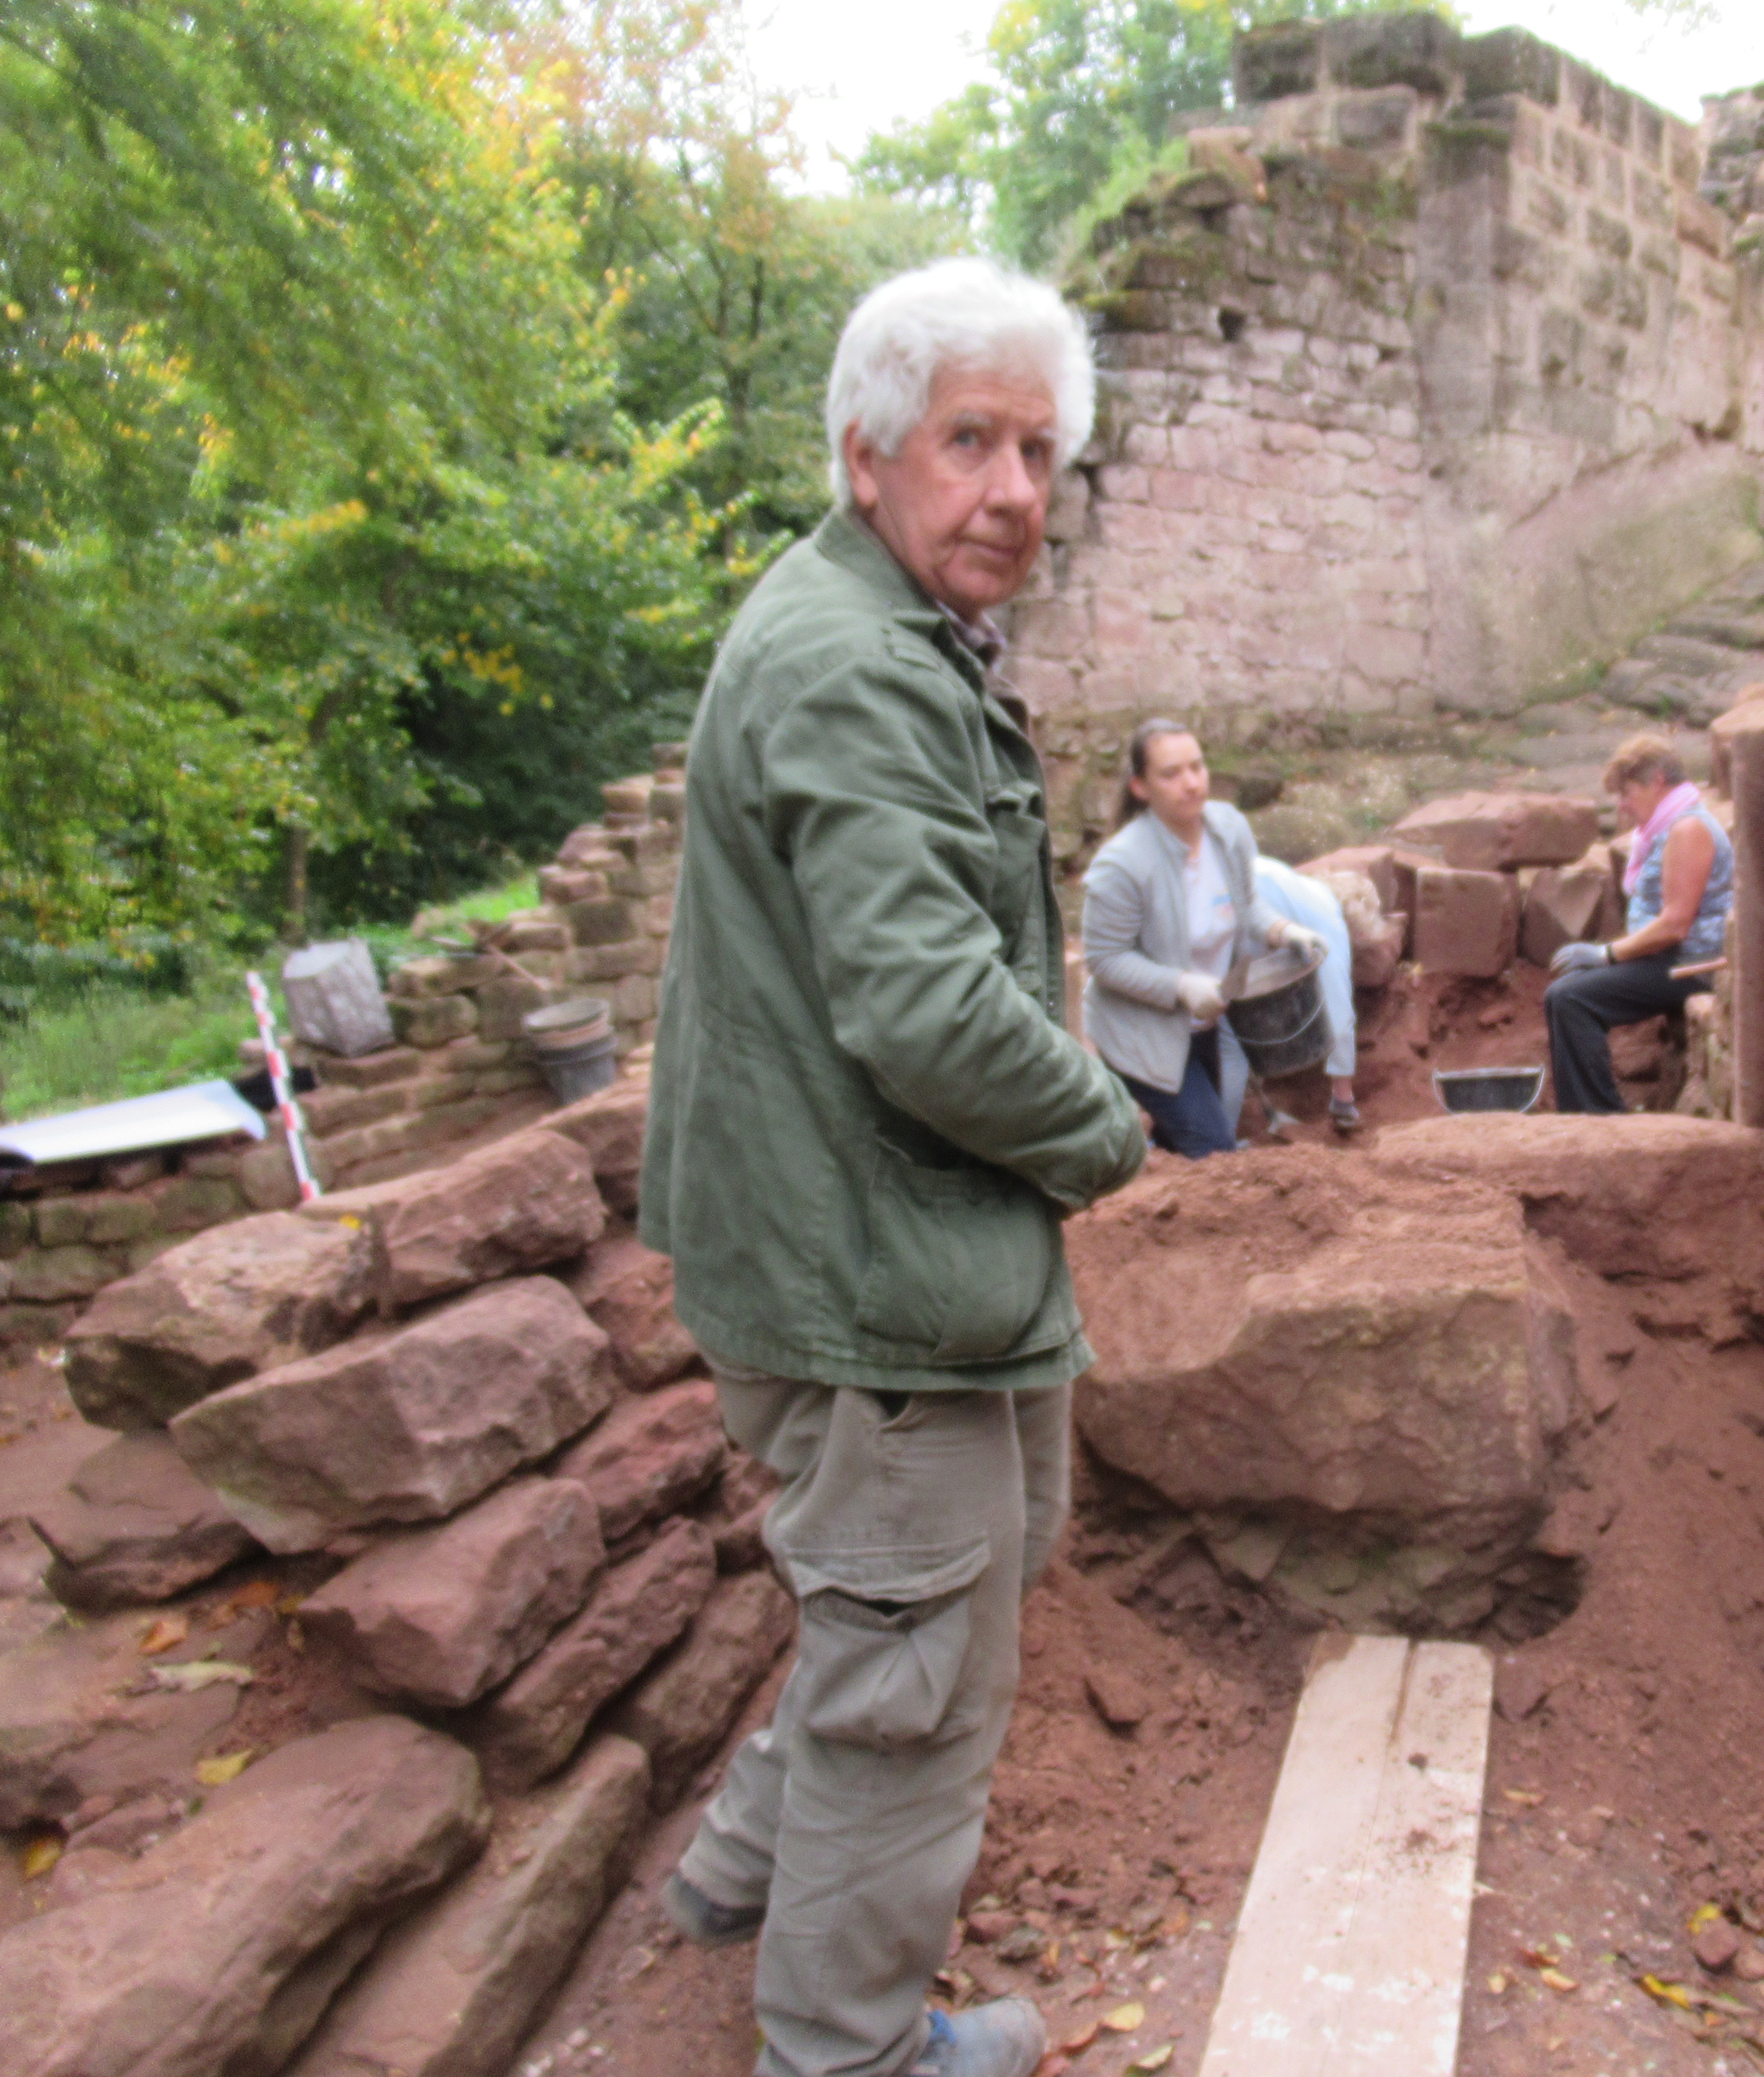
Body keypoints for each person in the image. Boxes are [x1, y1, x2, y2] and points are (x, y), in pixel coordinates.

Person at [639, 257, 1148, 2077]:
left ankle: (739, 1875)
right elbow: (926, 1010)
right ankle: (848, 2047)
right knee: (915, 1673)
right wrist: (1109, 1128)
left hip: (884, 1242)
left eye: (1038, 450)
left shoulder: (873, 624)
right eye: (967, 441)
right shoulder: (861, 666)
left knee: (935, 1590)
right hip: (870, 1265)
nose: (1012, 489)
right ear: (867, 456)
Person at [1080, 720, 1323, 1156]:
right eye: (1171, 774)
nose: (1191, 783)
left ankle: (1152, 1168)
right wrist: (1183, 986)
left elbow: (1247, 907)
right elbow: (1105, 959)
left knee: (1183, 1149)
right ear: (1140, 787)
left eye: (1197, 767)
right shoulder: (1122, 865)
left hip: (1204, 1023)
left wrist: (1284, 931)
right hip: (1142, 1036)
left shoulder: (1228, 829)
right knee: (1214, 1150)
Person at [1542, 733, 1731, 1114]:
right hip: (1671, 959)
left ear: (1657, 781)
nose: (1623, 806)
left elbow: (1675, 925)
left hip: (1693, 966)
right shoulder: (1667, 828)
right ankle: (1586, 1112)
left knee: (1570, 998)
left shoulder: (1689, 830)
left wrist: (1606, 954)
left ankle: (1599, 1117)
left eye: (1627, 793)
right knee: (1565, 992)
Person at [1217, 853, 1363, 1134]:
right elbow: (1339, 1010)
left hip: (1226, 909)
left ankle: (1225, 1131)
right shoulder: (1327, 912)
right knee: (1232, 1030)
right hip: (1254, 913)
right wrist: (1343, 1095)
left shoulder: (1288, 878)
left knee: (1230, 1026)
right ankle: (1343, 1102)